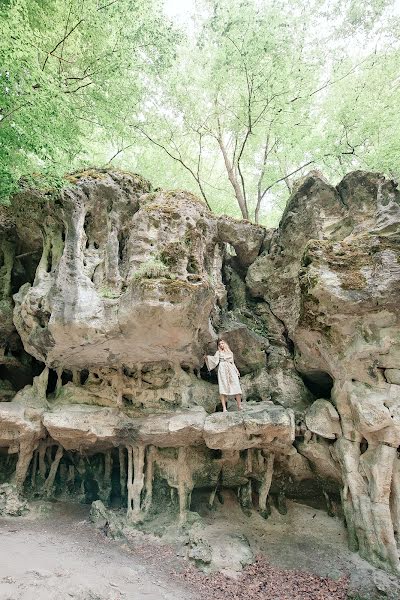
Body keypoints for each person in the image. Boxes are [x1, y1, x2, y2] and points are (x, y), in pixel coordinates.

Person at [204, 339, 242, 412]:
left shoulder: (230, 353)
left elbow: (232, 363)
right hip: (222, 370)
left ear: (225, 344)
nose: (221, 345)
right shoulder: (218, 352)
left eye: (222, 343)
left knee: (236, 385)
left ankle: (239, 405)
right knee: (223, 387)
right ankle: (224, 408)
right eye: (220, 344)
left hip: (231, 369)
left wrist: (236, 370)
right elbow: (215, 360)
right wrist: (207, 358)